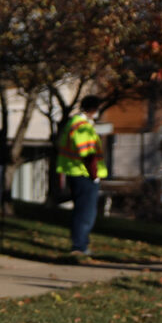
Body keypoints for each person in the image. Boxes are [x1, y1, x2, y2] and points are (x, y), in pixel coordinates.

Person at [56, 96, 107, 257]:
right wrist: (94, 175)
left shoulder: (75, 124)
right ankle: (79, 246)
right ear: (94, 109)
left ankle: (80, 244)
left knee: (83, 210)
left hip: (77, 171)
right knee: (86, 212)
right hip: (83, 173)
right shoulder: (81, 126)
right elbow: (87, 154)